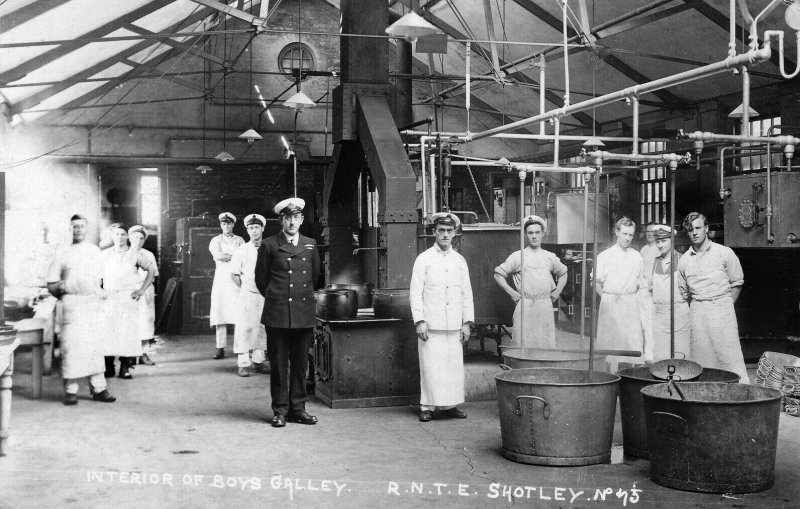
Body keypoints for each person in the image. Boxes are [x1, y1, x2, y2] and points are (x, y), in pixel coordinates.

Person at [255, 198, 320, 427]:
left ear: (301, 220)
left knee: (301, 364)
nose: (292, 222)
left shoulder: (311, 244)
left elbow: (316, 277)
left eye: (296, 217)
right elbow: (261, 280)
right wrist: (278, 298)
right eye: (288, 218)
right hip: (278, 313)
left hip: (302, 313)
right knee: (280, 365)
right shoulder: (269, 245)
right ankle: (280, 410)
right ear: (281, 220)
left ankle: (298, 409)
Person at [410, 212, 474, 422]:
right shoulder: (424, 259)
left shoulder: (460, 260)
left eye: (449, 231)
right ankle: (427, 406)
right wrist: (419, 321)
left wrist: (466, 323)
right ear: (434, 233)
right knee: (431, 367)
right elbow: (415, 292)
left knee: (452, 368)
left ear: (454, 233)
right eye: (441, 231)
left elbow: (466, 292)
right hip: (431, 324)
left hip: (454, 324)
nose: (445, 235)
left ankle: (450, 405)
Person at [47, 214, 116, 405]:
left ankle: (99, 389)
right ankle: (71, 391)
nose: (78, 230)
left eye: (81, 226)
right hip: (71, 305)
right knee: (71, 348)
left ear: (87, 229)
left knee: (95, 346)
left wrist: (100, 292)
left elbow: (102, 279)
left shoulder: (94, 251)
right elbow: (51, 282)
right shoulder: (62, 252)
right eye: (74, 226)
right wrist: (65, 295)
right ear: (70, 229)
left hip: (91, 304)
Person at [677, 212, 749, 383]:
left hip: (722, 309)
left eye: (698, 228)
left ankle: (740, 398)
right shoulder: (684, 261)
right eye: (690, 229)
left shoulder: (724, 253)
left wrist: (724, 306)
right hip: (698, 312)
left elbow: (737, 282)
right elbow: (685, 293)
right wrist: (701, 307)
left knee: (729, 358)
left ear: (706, 229)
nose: (694, 232)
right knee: (702, 359)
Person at [493, 215, 567, 350]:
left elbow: (563, 273)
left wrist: (557, 291)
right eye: (530, 233)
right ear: (525, 235)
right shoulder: (517, 256)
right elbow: (498, 274)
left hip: (545, 305)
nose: (534, 236)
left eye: (537, 232)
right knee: (523, 347)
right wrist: (512, 293)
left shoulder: (549, 257)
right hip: (525, 306)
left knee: (546, 346)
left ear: (543, 234)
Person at [100, 223, 158, 379]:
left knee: (128, 332)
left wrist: (142, 289)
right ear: (112, 236)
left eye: (123, 235)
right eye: (117, 234)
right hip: (110, 297)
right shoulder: (105, 254)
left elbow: (151, 270)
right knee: (109, 332)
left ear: (127, 237)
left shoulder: (135, 254)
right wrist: (100, 290)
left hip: (128, 297)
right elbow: (95, 275)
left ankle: (125, 368)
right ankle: (109, 367)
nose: (119, 238)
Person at [594, 217, 644, 370]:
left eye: (630, 235)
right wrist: (607, 298)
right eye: (624, 234)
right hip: (610, 303)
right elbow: (595, 283)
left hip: (630, 303)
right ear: (617, 232)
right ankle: (610, 377)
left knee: (631, 342)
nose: (627, 238)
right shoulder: (604, 256)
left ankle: (629, 378)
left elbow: (641, 283)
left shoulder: (637, 256)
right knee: (610, 343)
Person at [229, 214, 269, 377]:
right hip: (247, 294)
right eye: (251, 228)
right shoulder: (242, 250)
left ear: (262, 228)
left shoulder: (269, 247)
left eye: (256, 227)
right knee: (244, 328)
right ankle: (243, 363)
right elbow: (234, 274)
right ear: (247, 230)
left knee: (262, 327)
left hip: (265, 295)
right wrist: (246, 288)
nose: (254, 231)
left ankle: (258, 362)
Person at [646, 225, 690, 361]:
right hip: (660, 316)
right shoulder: (655, 262)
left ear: (672, 240)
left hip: (679, 314)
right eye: (658, 241)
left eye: (664, 241)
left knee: (681, 354)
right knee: (661, 358)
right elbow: (650, 289)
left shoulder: (683, 259)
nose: (660, 245)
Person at [209, 212, 244, 359]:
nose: (227, 226)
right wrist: (234, 256)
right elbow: (218, 256)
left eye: (229, 223)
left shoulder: (240, 240)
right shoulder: (215, 240)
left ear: (233, 224)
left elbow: (244, 257)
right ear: (221, 225)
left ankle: (239, 347)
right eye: (224, 223)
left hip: (236, 279)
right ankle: (220, 347)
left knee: (238, 314)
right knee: (220, 313)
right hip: (221, 281)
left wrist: (229, 257)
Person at [128, 225, 159, 366]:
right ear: (129, 238)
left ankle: (143, 353)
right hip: (128, 291)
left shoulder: (148, 254)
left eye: (141, 238)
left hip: (145, 290)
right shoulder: (125, 253)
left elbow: (153, 275)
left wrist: (143, 288)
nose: (138, 241)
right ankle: (129, 355)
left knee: (145, 321)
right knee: (129, 322)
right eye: (135, 237)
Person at [638, 222, 658, 362]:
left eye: (652, 231)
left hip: (653, 291)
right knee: (641, 323)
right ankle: (642, 353)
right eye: (647, 231)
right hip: (641, 290)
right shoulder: (643, 249)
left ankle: (650, 354)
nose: (649, 234)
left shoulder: (659, 248)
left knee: (650, 324)